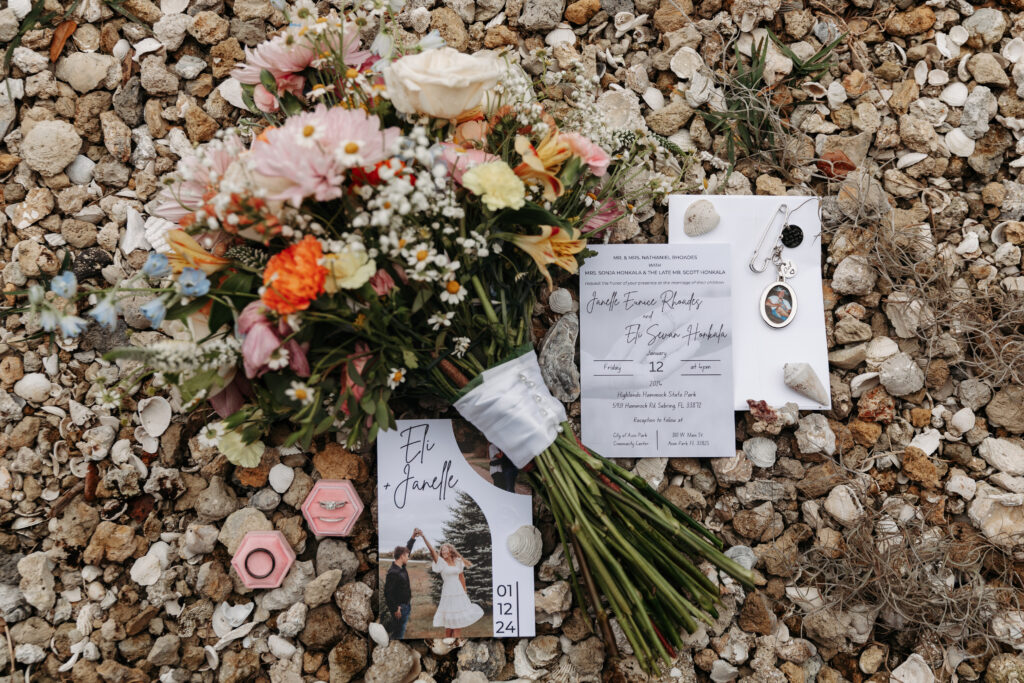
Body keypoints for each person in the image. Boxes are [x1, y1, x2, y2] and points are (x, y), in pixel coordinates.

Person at [420, 536, 484, 637]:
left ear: (450, 551)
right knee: (448, 629)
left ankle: (455, 643)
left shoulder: (458, 561)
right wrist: (423, 536)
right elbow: (432, 550)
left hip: (459, 594)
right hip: (448, 594)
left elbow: (462, 577)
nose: (443, 552)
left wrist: (465, 591)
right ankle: (448, 642)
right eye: (442, 551)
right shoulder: (440, 562)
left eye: (445, 550)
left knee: (457, 626)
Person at [384, 528, 421, 639]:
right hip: (400, 608)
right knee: (398, 634)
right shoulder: (393, 573)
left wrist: (413, 537)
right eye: (407, 556)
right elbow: (388, 593)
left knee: (400, 630)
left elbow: (408, 549)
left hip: (406, 605)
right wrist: (396, 608)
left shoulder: (401, 567)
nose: (408, 558)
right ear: (401, 556)